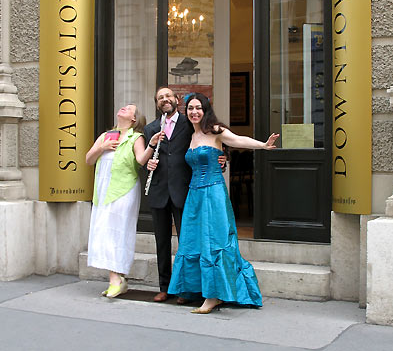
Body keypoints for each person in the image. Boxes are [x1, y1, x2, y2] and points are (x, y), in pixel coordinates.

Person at [167, 92, 279, 314]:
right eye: (190, 108)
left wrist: (263, 145)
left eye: (198, 107)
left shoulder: (215, 131)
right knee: (194, 241)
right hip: (194, 196)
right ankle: (200, 290)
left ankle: (213, 296)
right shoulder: (190, 135)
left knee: (214, 240)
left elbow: (237, 140)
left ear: (205, 109)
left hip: (213, 193)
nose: (194, 112)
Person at [144, 87, 226, 303]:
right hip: (159, 191)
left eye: (168, 96)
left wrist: (222, 159)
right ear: (157, 103)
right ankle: (165, 287)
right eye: (160, 98)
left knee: (188, 241)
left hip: (185, 190)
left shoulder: (190, 122)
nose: (165, 100)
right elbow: (146, 159)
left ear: (176, 99)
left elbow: (210, 142)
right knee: (161, 242)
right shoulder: (150, 128)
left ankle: (187, 289)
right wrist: (149, 164)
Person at [86, 104, 163, 298]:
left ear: (134, 119)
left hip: (124, 190)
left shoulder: (136, 137)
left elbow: (140, 160)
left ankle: (115, 279)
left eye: (129, 109)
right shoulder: (106, 136)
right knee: (105, 231)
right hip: (103, 191)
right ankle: (118, 278)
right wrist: (102, 147)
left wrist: (152, 145)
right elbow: (88, 159)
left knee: (117, 231)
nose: (123, 108)